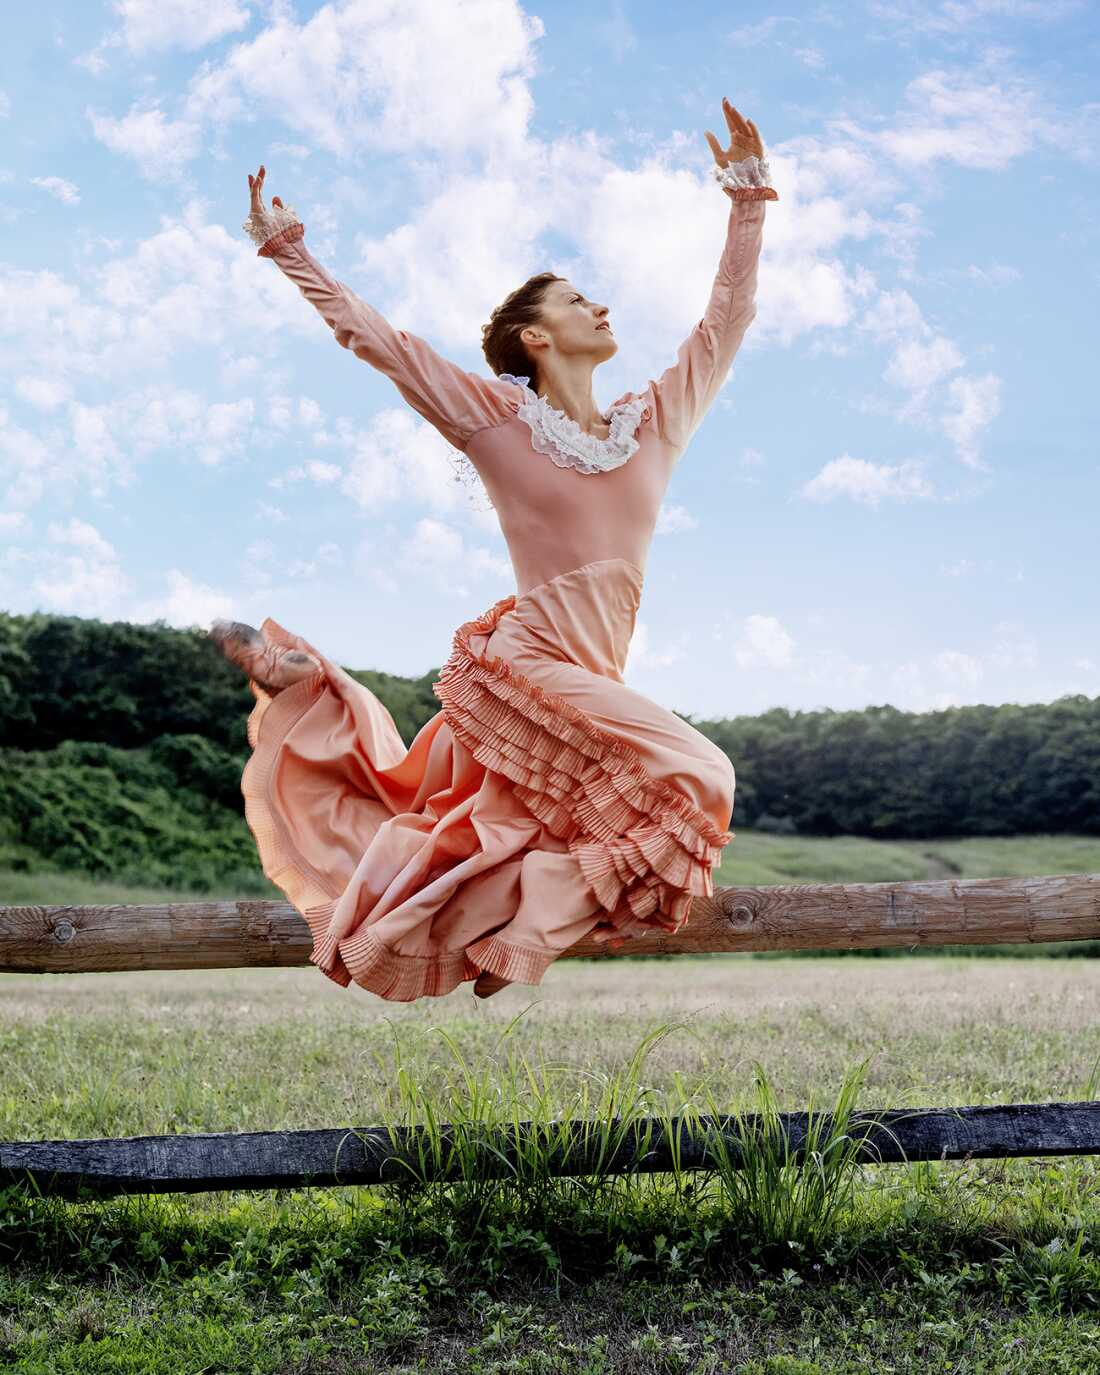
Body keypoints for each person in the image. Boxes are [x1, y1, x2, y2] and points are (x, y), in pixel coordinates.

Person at [212, 98, 779, 1003]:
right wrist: (290, 252)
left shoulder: (653, 424)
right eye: (574, 300)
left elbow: (726, 324)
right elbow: (385, 345)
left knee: (501, 837)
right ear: (535, 337)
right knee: (704, 774)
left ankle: (505, 927)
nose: (599, 304)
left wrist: (746, 198)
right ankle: (527, 938)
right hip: (529, 663)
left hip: (592, 680)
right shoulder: (498, 420)